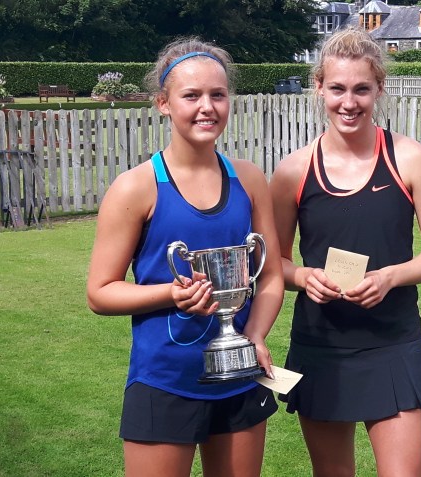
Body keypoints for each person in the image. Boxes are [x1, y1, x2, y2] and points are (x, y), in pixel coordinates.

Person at [86, 37, 284, 477]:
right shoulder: (135, 187)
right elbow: (100, 293)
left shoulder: (249, 179)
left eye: (218, 94)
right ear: (163, 103)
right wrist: (171, 294)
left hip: (238, 378)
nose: (207, 107)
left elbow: (270, 276)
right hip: (164, 380)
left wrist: (254, 335)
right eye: (191, 95)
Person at [269, 26, 421, 477]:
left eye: (361, 89)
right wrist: (303, 277)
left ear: (379, 89)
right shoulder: (294, 170)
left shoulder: (408, 157)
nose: (348, 102)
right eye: (337, 88)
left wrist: (390, 277)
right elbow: (273, 263)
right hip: (322, 346)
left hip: (393, 341)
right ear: (318, 87)